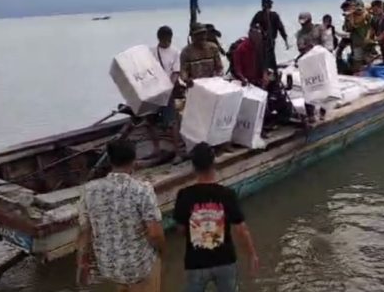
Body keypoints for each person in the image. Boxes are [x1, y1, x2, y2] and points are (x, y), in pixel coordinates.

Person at [77, 140, 165, 292]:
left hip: (108, 267)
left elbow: (84, 232)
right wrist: (163, 252)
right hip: (138, 267)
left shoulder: (89, 190)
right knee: (155, 262)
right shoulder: (142, 190)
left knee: (123, 280)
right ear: (134, 161)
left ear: (110, 161)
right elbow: (155, 234)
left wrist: (82, 262)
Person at [173, 143, 259, 292]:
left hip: (196, 262)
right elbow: (241, 229)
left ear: (193, 167)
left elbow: (180, 229)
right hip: (224, 261)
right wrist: (252, 255)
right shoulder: (227, 194)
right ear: (214, 164)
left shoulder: (184, 195)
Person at [147, 26, 183, 157]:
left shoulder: (175, 52)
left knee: (172, 121)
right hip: (153, 91)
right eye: (165, 39)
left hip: (167, 92)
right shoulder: (151, 52)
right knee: (150, 120)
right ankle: (156, 149)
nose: (167, 41)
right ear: (159, 38)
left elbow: (176, 72)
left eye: (169, 39)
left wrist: (169, 87)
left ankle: (177, 152)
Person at [249, 0, 290, 71]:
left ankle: (271, 70)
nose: (267, 10)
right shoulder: (259, 15)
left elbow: (280, 28)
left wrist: (285, 40)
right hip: (261, 41)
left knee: (270, 58)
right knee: (261, 58)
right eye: (265, 8)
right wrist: (258, 29)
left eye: (268, 7)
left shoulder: (274, 15)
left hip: (271, 41)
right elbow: (252, 25)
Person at [369, 0, 384, 69]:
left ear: (381, 8)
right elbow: (371, 30)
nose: (374, 11)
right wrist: (368, 39)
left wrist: (374, 40)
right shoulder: (374, 19)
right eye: (373, 9)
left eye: (376, 9)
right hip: (381, 44)